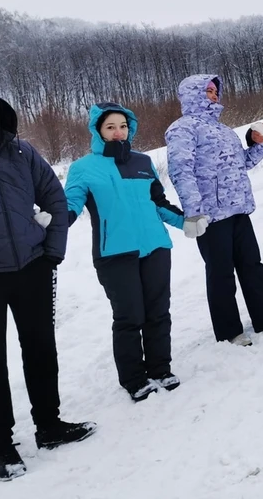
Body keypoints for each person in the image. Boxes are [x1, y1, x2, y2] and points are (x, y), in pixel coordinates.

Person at [0, 82, 96, 481]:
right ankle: (1, 444)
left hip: (31, 268)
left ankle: (49, 425)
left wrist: (52, 251)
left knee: (41, 348)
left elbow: (55, 199)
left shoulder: (23, 152)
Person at [65, 102, 187, 402]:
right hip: (115, 254)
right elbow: (70, 205)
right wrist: (51, 219)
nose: (118, 132)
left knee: (158, 311)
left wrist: (187, 222)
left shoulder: (143, 162)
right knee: (129, 316)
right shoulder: (83, 168)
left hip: (155, 246)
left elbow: (159, 203)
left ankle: (160, 368)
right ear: (98, 131)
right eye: (110, 127)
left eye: (123, 126)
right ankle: (134, 378)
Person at [166, 74, 263, 345]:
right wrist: (193, 212)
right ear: (193, 94)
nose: (215, 95)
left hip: (238, 210)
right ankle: (229, 332)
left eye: (216, 91)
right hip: (210, 217)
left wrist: (262, 145)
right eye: (209, 91)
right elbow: (181, 171)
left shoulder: (224, 131)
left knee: (252, 265)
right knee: (221, 273)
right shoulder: (182, 129)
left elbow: (243, 164)